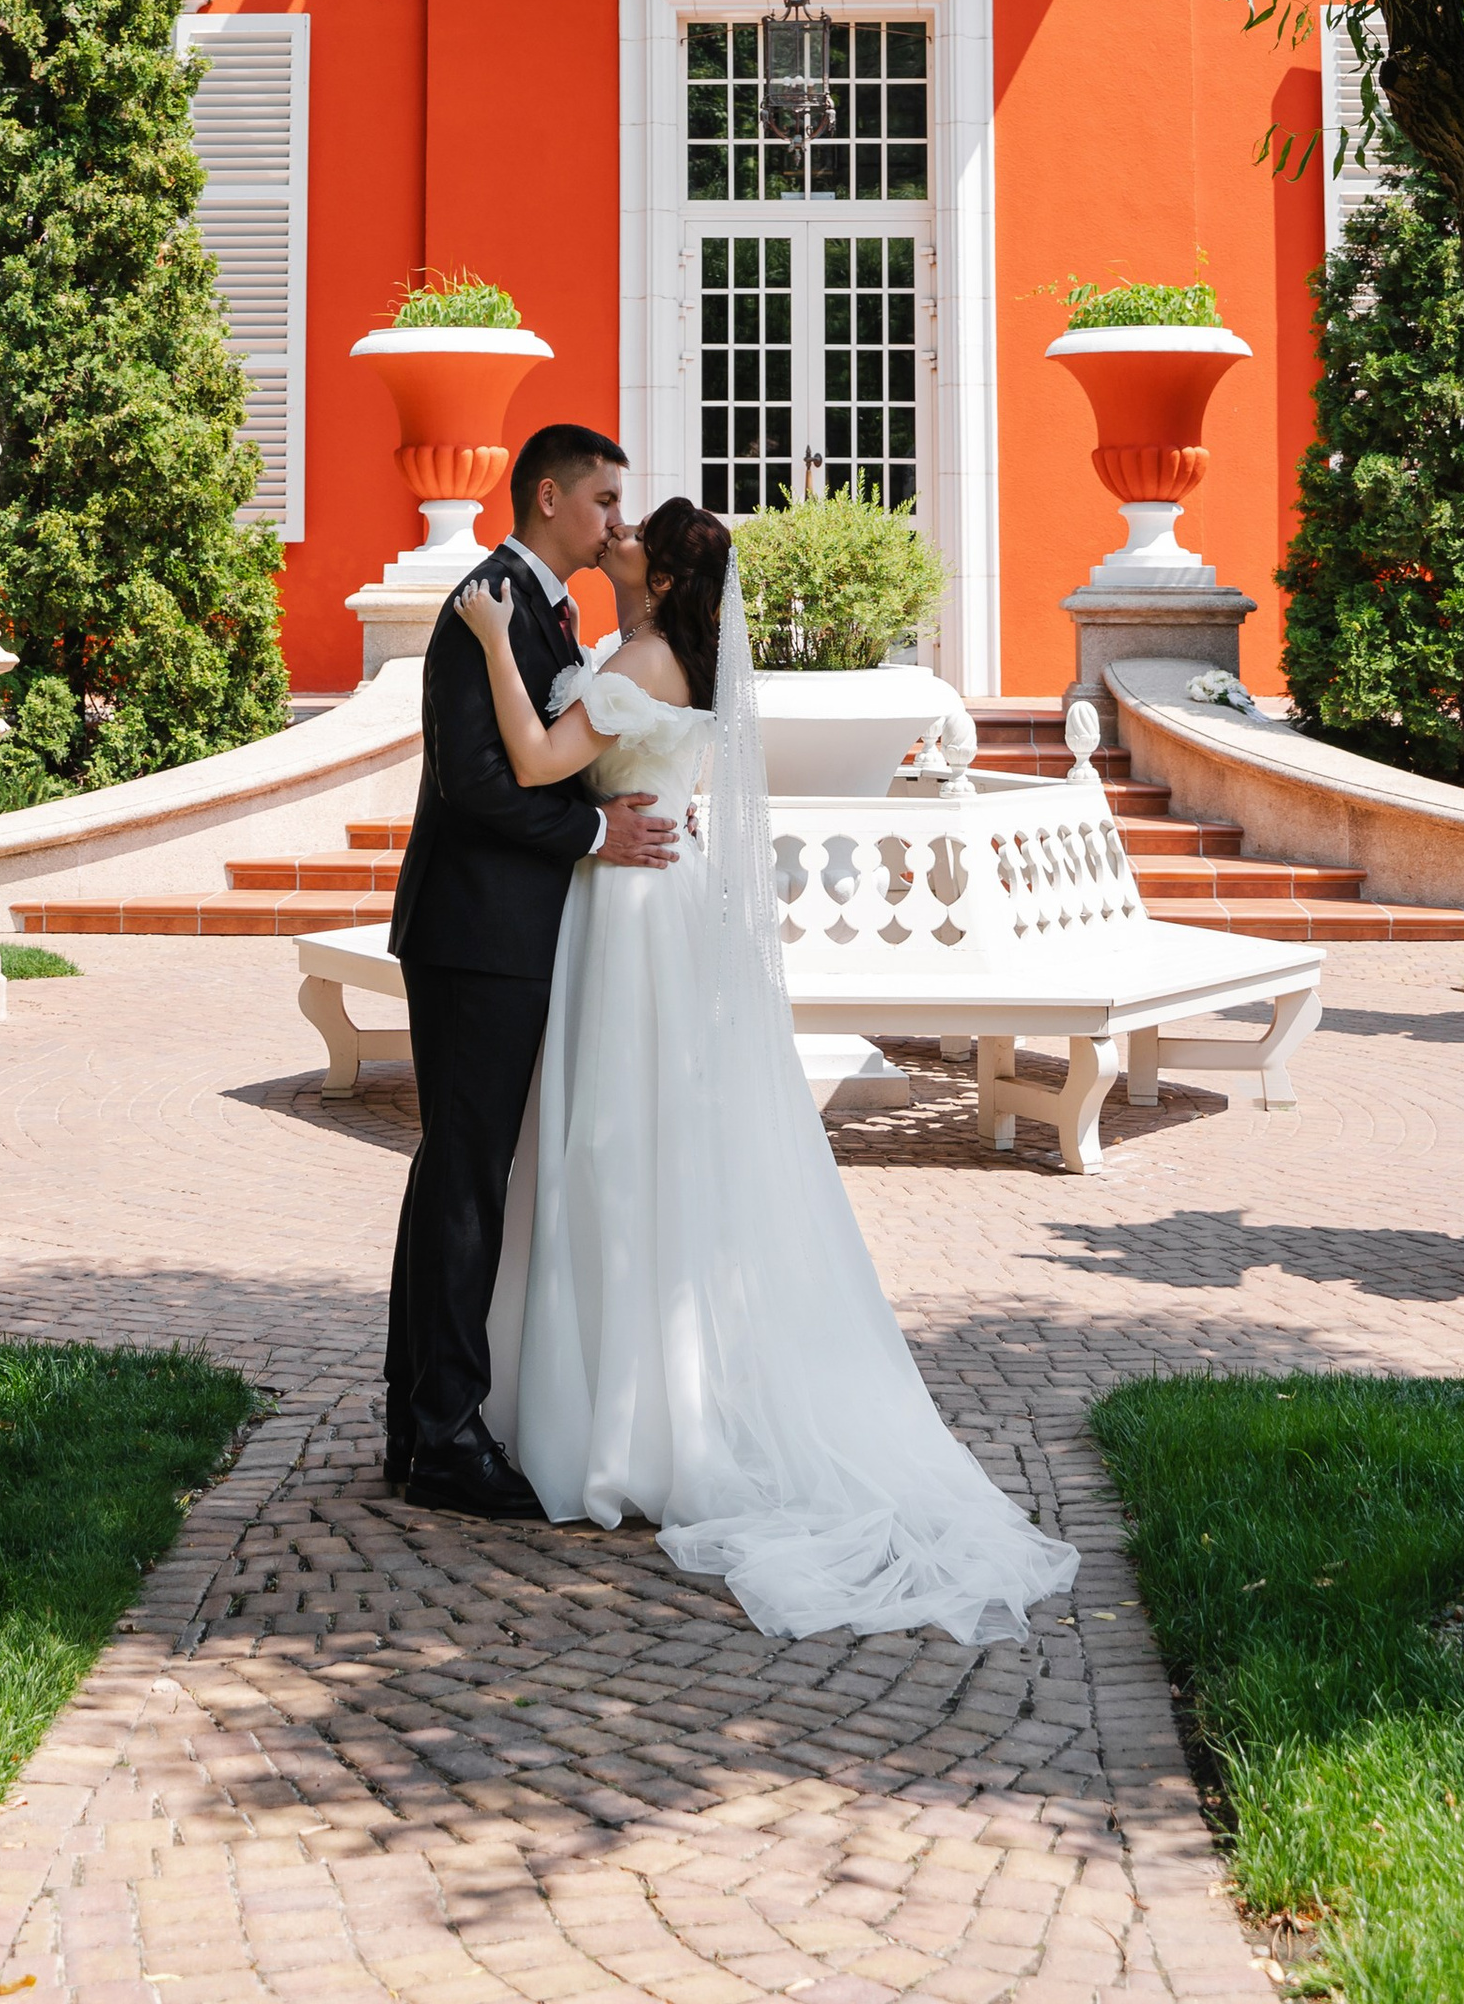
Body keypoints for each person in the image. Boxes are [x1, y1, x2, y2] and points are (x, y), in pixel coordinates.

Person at [458, 496, 1081, 1647]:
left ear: (661, 570)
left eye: (635, 528)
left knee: (609, 1141)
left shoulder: (641, 653)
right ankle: (643, 1393)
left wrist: (496, 644)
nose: (619, 532)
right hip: (658, 894)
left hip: (629, 912)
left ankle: (619, 1419)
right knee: (647, 1141)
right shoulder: (671, 653)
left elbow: (544, 757)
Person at [382, 424, 682, 1517]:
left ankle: (418, 1412)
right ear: (548, 494)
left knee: (455, 1175)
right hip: (475, 934)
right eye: (604, 498)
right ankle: (448, 1436)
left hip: (503, 934)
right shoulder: (489, 603)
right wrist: (599, 835)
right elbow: (474, 783)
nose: (615, 520)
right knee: (467, 1180)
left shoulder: (544, 608)